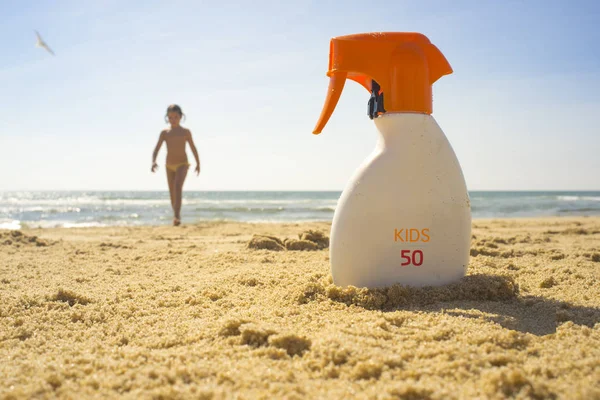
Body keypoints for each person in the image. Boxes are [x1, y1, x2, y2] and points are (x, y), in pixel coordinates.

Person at [151, 104, 200, 226]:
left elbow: (193, 147)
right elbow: (157, 148)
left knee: (178, 187)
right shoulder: (165, 133)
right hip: (169, 165)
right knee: (172, 192)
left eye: (176, 117)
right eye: (170, 117)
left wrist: (198, 163)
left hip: (183, 164)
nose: (173, 120)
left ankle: (177, 216)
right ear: (167, 117)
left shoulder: (185, 132)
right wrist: (153, 161)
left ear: (181, 117)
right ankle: (175, 215)